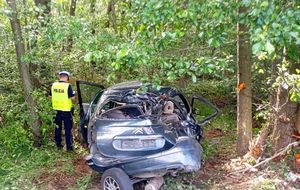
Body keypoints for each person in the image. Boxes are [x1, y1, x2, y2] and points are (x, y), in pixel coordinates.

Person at [50, 71, 75, 151]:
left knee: (57, 128)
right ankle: (69, 147)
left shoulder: (53, 85)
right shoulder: (68, 86)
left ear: (59, 77)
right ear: (67, 77)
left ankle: (58, 145)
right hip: (66, 110)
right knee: (68, 129)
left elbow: (50, 96)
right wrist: (74, 95)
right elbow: (73, 98)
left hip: (56, 110)